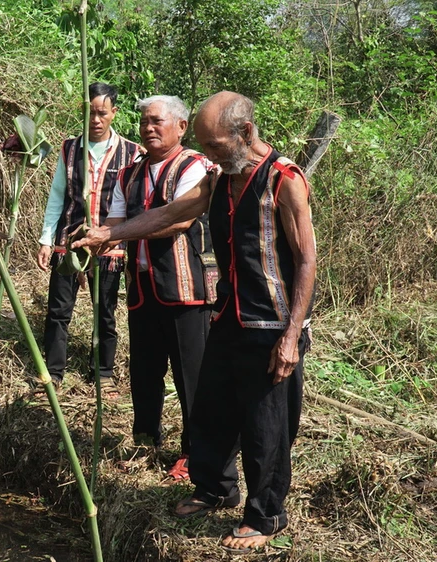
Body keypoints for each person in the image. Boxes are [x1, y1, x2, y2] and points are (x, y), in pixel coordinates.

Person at [73, 91, 316, 554]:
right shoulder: (220, 178)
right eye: (204, 146)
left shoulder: (284, 181)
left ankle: (266, 515)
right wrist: (109, 232)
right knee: (212, 408)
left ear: (245, 133)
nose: (208, 155)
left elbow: (306, 261)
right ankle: (215, 488)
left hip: (272, 324)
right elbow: (172, 212)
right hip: (227, 314)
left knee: (267, 425)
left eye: (216, 146)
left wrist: (291, 335)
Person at [102, 95, 215, 480]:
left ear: (181, 127)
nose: (149, 128)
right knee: (144, 370)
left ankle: (195, 451)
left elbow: (178, 221)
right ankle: (146, 440)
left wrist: (115, 232)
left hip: (186, 289)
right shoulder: (128, 174)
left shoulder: (195, 166)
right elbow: (115, 221)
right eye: (144, 122)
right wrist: (95, 238)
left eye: (157, 122)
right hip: (143, 287)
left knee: (191, 374)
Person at [37, 82, 141, 388]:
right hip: (69, 242)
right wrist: (46, 239)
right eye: (90, 113)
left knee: (105, 311)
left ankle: (103, 373)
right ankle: (53, 373)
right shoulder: (70, 148)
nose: (95, 120)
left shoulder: (131, 153)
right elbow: (58, 196)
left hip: (109, 246)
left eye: (102, 113)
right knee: (58, 310)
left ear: (114, 113)